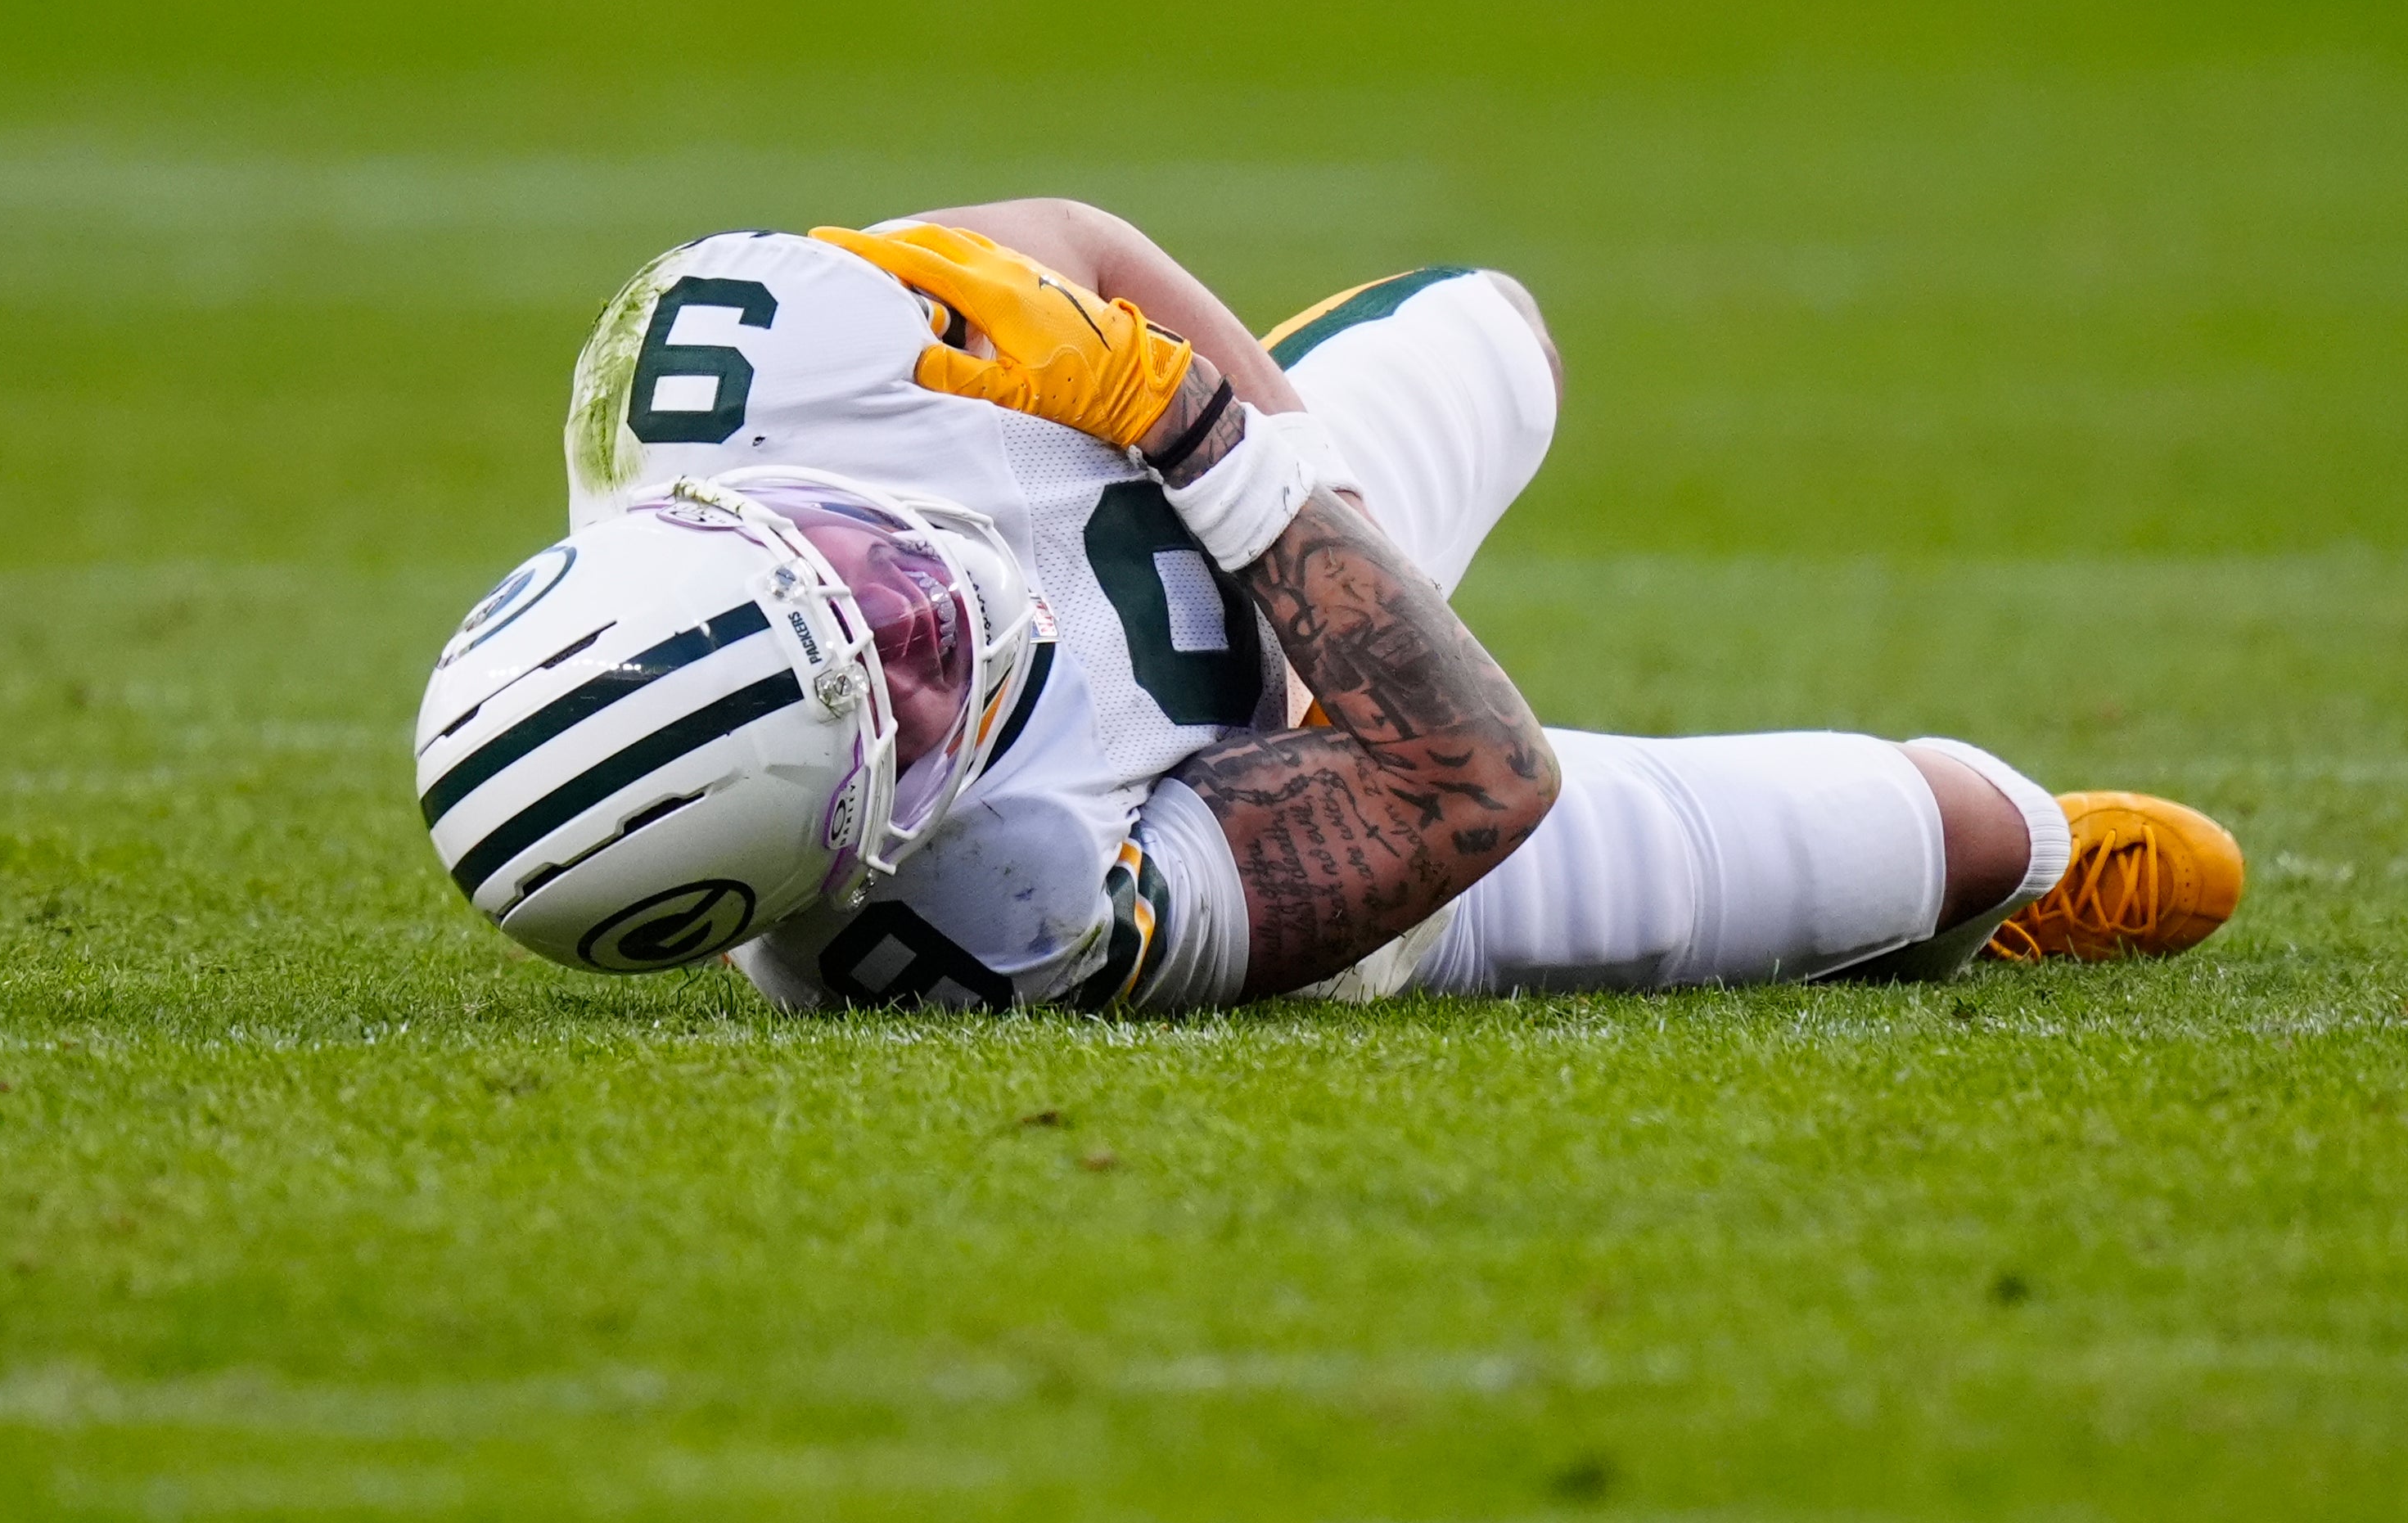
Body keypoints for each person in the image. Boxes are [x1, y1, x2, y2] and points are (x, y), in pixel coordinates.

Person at [415, 206, 2243, 1008]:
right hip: (1331, 772)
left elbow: (1087, 240)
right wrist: (1203, 442)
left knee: (1495, 327)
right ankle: (2007, 891)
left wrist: (1294, 476)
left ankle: (1317, 429)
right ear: (859, 850)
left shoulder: (729, 356)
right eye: (891, 701)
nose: (926, 625)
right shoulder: (1002, 920)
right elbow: (1470, 782)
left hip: (1212, 498)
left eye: (862, 600)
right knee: (1965, 828)